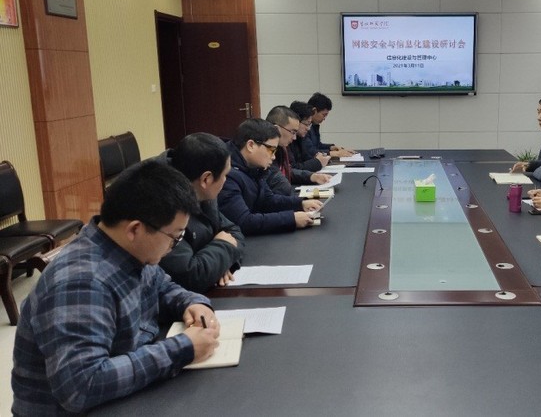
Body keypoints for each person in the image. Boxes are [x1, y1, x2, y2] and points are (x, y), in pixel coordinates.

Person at [12, 161, 221, 415]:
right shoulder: (82, 283)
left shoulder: (127, 249)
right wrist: (182, 350)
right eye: (174, 238)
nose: (173, 246)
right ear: (135, 229)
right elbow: (81, 387)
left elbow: (161, 286)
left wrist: (191, 303)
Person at [157, 132, 246, 293]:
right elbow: (189, 275)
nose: (226, 180)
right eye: (225, 175)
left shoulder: (201, 190)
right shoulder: (163, 204)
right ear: (206, 179)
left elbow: (233, 231)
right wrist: (223, 251)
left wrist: (222, 264)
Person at [218, 118, 323, 235]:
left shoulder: (253, 167)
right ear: (251, 145)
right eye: (271, 150)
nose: (273, 157)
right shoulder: (226, 175)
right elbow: (243, 222)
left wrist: (300, 204)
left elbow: (268, 200)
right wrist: (291, 219)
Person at [266, 105, 331, 188]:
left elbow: (288, 171)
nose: (294, 137)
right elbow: (277, 184)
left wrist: (312, 176)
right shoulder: (264, 151)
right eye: (292, 132)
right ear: (277, 129)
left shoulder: (281, 147)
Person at [304, 92, 357, 158]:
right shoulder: (304, 127)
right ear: (314, 111)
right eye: (324, 115)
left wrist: (331, 147)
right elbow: (310, 151)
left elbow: (317, 145)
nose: (324, 119)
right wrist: (334, 153)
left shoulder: (314, 125)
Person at [289, 100, 330, 172]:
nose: (308, 129)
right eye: (306, 124)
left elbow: (307, 157)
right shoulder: (286, 141)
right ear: (296, 121)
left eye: (309, 124)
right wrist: (317, 162)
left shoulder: (300, 137)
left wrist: (318, 157)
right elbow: (292, 169)